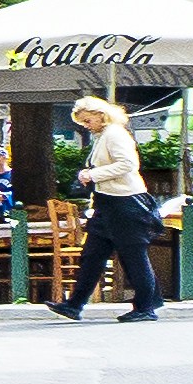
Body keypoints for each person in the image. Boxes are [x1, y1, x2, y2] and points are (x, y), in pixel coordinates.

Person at [54, 92, 162, 322]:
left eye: (87, 120)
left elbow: (128, 164)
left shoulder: (115, 134)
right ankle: (74, 304)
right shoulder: (104, 135)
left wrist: (92, 174)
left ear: (100, 115)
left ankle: (145, 307)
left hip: (126, 202)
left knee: (133, 256)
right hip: (108, 202)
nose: (85, 126)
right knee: (92, 255)